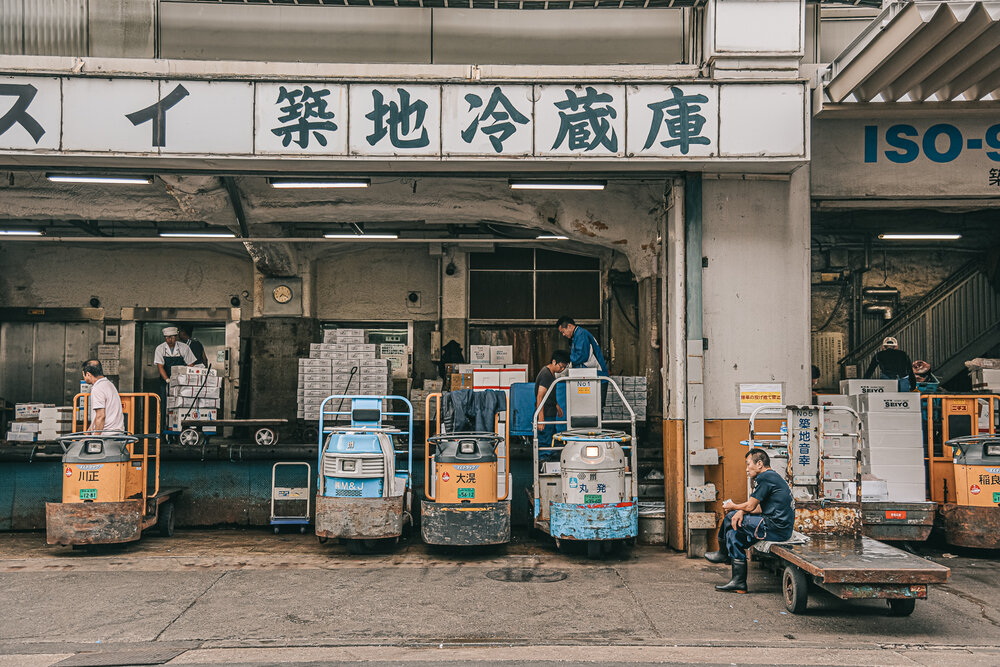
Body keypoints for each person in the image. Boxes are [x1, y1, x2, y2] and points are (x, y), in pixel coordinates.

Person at [704, 448, 794, 594]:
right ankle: (739, 583)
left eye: (748, 464)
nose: (746, 469)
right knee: (734, 536)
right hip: (777, 527)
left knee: (729, 517)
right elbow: (758, 509)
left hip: (775, 527)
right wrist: (741, 511)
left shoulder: (765, 477)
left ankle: (722, 553)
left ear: (759, 464)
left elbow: (751, 505)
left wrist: (733, 506)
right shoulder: (772, 477)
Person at [154, 326, 197, 428]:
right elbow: (160, 367)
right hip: (166, 382)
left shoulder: (184, 348)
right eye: (168, 338)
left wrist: (183, 379)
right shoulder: (160, 349)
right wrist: (167, 380)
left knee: (181, 405)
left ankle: (182, 427)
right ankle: (163, 429)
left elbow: (190, 364)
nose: (170, 340)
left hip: (182, 383)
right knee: (164, 405)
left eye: (172, 337)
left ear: (176, 337)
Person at [535, 350, 570, 458]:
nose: (562, 369)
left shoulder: (551, 374)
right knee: (544, 442)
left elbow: (549, 395)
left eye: (565, 367)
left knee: (550, 439)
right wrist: (541, 418)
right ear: (554, 362)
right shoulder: (546, 375)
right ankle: (543, 463)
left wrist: (557, 406)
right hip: (545, 414)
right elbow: (540, 397)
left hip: (550, 413)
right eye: (561, 366)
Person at [82, 359, 124, 434]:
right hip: (117, 434)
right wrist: (87, 434)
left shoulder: (97, 388)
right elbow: (96, 417)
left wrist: (95, 439)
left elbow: (100, 416)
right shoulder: (109, 384)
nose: (84, 377)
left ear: (88, 374)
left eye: (83, 375)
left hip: (107, 436)